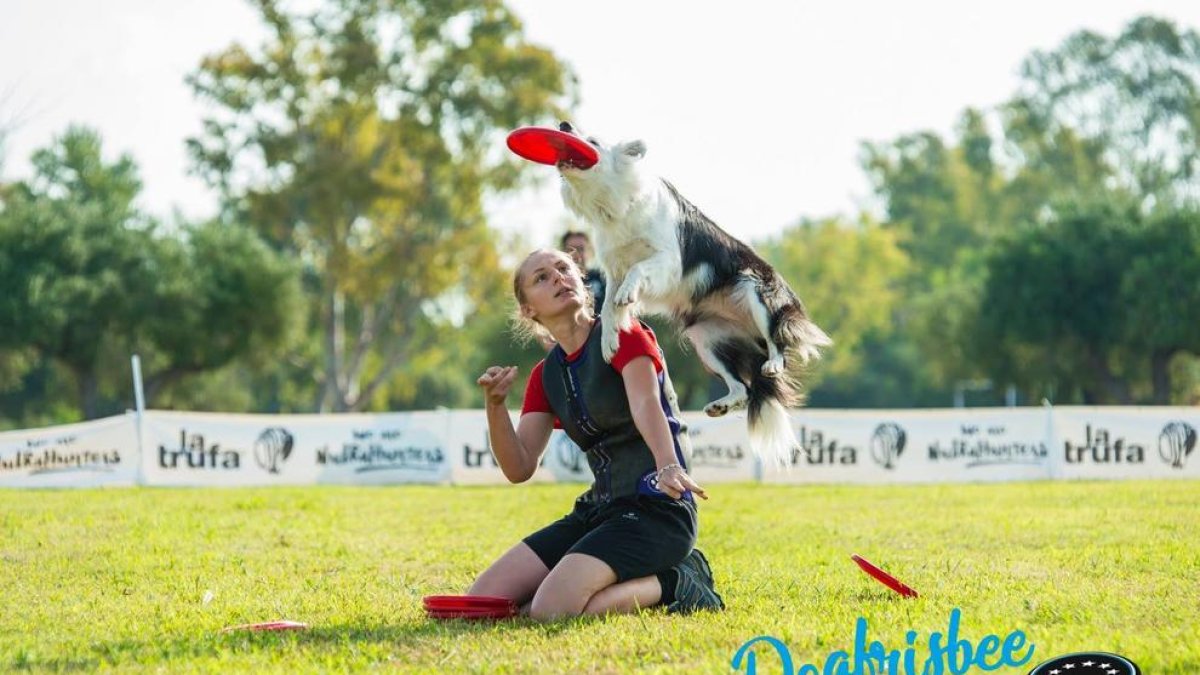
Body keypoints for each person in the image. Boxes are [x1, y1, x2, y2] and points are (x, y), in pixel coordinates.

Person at [469, 248, 724, 620]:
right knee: (484, 600)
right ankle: (580, 582)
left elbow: (645, 403)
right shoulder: (546, 376)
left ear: (582, 282)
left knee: (548, 612)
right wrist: (495, 406)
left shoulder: (622, 331)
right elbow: (519, 467)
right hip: (599, 511)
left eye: (563, 269)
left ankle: (676, 580)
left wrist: (668, 464)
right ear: (528, 310)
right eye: (542, 277)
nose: (558, 277)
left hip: (657, 511)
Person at [560, 230, 606, 314]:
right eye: (570, 249)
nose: (576, 254)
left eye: (581, 249)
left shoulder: (603, 277)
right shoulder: (558, 283)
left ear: (589, 251)